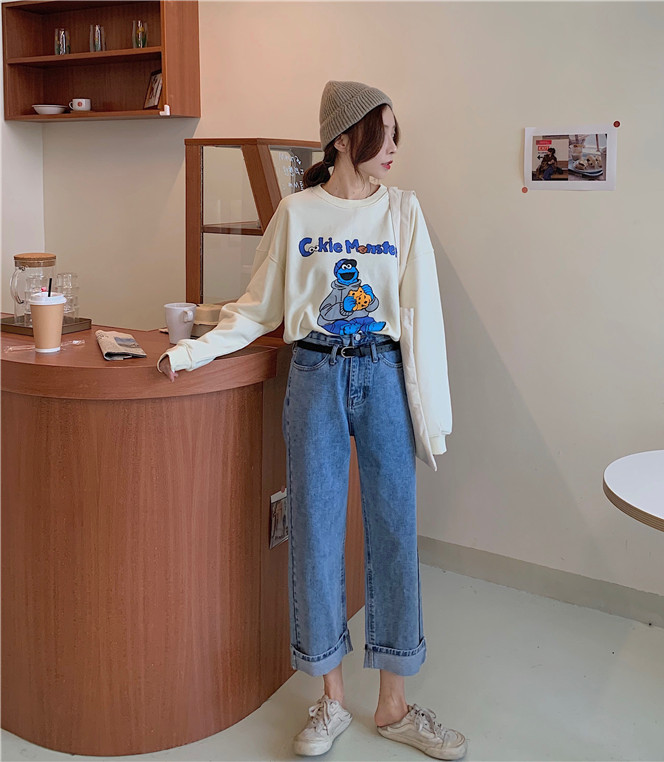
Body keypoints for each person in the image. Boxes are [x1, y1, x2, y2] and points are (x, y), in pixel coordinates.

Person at [157, 80, 465, 760]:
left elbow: (425, 320)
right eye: (382, 133)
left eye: (396, 133)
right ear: (344, 138)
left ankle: (394, 704)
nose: (394, 147)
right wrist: (192, 350)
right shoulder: (296, 213)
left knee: (394, 531)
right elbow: (255, 308)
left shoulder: (403, 211)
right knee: (316, 531)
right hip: (316, 373)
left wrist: (433, 414)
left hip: (383, 373)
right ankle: (332, 699)